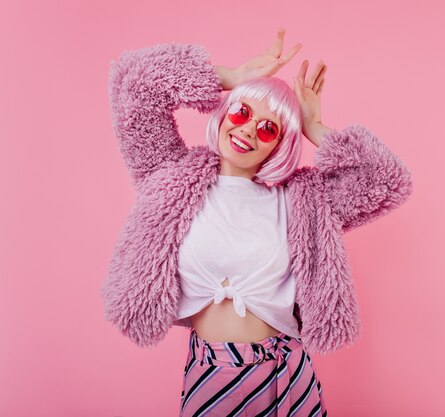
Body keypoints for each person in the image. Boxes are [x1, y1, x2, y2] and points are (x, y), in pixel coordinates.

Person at [100, 28, 413, 416]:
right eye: (242, 111)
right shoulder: (168, 174)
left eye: (268, 128)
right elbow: (135, 82)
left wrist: (314, 127)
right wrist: (229, 77)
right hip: (212, 371)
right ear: (226, 111)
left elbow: (386, 181)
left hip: (287, 372)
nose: (248, 129)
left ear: (279, 144)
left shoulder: (302, 200)